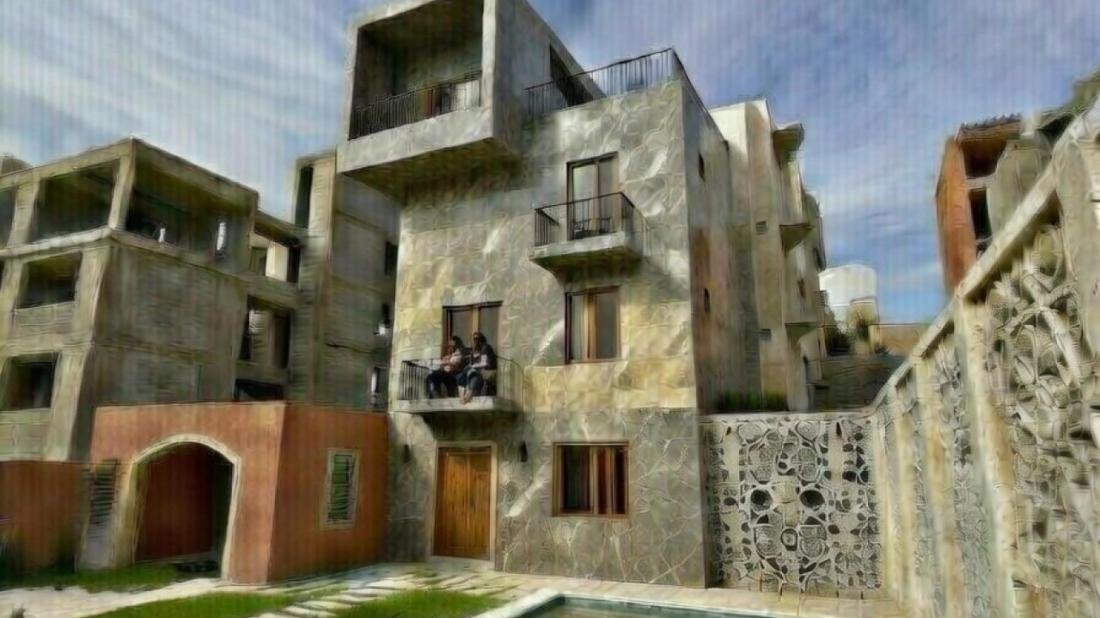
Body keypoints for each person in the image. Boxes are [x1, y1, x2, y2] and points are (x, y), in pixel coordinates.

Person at [459, 331, 497, 404]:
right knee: (468, 371)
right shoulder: (480, 348)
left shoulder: (485, 347)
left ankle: (468, 393)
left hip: (488, 369)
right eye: (474, 339)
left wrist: (473, 366)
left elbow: (484, 363)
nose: (474, 341)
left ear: (481, 339)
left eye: (476, 339)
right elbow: (479, 361)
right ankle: (467, 392)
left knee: (471, 372)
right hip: (483, 369)